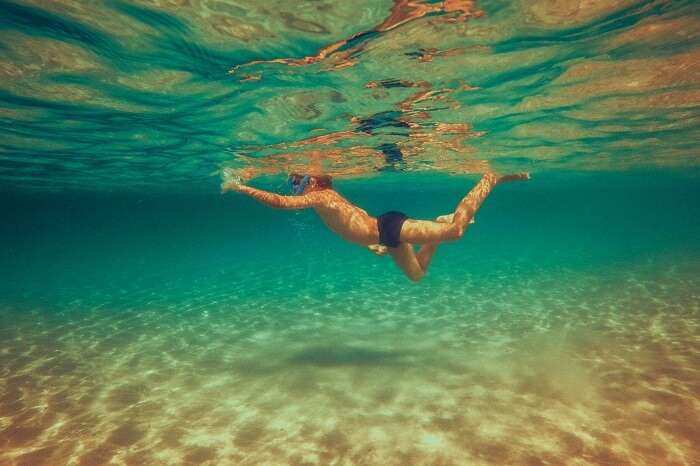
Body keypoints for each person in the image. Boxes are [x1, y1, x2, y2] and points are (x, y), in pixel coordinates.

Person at [221, 170, 529, 282]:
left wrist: (242, 188)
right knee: (418, 275)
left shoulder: (323, 196)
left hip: (390, 227)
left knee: (457, 231)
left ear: (312, 182)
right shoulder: (328, 199)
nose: (295, 187)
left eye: (298, 181)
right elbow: (356, 217)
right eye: (293, 182)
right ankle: (438, 224)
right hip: (385, 234)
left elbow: (281, 203)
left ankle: (489, 179)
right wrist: (371, 242)